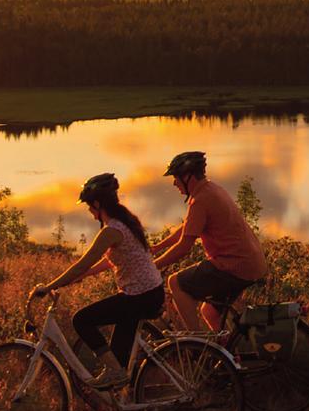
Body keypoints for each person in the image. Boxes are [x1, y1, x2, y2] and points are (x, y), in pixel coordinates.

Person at [32, 173, 163, 389]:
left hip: (139, 297)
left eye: (90, 208)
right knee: (119, 354)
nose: (90, 213)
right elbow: (108, 262)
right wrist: (81, 277)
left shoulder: (111, 231)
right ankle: (120, 386)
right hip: (148, 293)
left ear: (97, 203)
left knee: (82, 320)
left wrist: (50, 286)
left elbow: (83, 263)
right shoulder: (126, 223)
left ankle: (115, 371)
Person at [151, 151, 267, 332]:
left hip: (234, 266)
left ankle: (195, 342)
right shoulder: (211, 189)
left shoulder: (200, 200)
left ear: (188, 177)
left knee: (175, 282)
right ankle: (221, 350)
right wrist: (158, 247)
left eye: (176, 177)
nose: (174, 183)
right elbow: (188, 228)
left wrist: (152, 266)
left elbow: (184, 247)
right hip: (251, 264)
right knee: (210, 312)